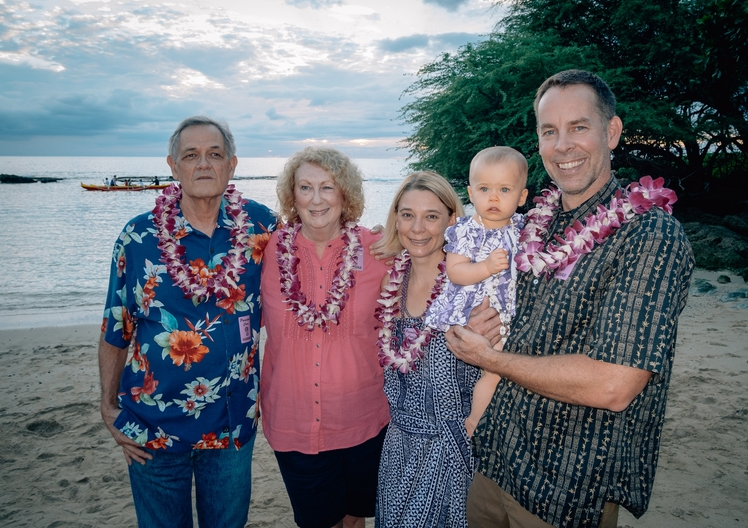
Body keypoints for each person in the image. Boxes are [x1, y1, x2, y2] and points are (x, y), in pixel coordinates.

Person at [445, 69, 695, 528]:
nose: (563, 145)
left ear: (612, 131)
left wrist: (494, 360)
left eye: (579, 127)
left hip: (565, 488)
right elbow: (499, 302)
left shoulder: (649, 234)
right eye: (549, 131)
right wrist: (485, 327)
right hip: (493, 464)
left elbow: (614, 385)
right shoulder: (532, 221)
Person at [98, 116, 277, 528]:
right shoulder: (138, 238)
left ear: (232, 165)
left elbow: (319, 248)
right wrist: (108, 407)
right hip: (152, 430)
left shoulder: (263, 227)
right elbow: (115, 328)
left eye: (215, 154)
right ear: (172, 166)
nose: (203, 164)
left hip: (231, 428)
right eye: (191, 155)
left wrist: (378, 240)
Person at [259, 146, 390, 528]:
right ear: (291, 195)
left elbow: (430, 263)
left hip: (364, 418)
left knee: (354, 518)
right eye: (305, 188)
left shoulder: (378, 248)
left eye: (328, 188)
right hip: (293, 420)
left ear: (344, 194)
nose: (316, 199)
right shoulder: (265, 250)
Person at [373, 171, 481, 527]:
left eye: (431, 216)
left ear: (452, 219)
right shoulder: (393, 281)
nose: (417, 228)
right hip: (398, 446)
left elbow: (497, 364)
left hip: (450, 447)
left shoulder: (467, 288)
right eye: (407, 215)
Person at [424, 146, 528, 437]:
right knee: (491, 369)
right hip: (474, 305)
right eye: (484, 189)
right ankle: (473, 422)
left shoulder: (524, 228)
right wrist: (485, 267)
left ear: (522, 197)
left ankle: (486, 423)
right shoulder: (467, 230)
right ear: (471, 194)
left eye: (504, 189)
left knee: (499, 371)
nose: (493, 197)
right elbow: (455, 271)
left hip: (508, 310)